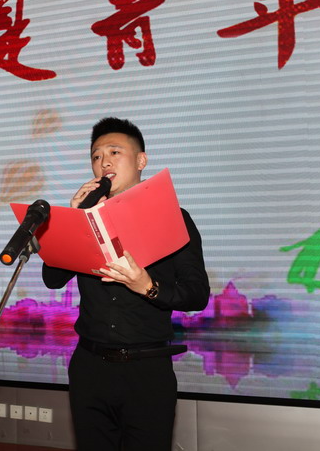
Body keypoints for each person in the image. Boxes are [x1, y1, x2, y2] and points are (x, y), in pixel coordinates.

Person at [42, 117, 210, 451]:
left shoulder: (173, 217)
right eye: (96, 156)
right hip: (89, 367)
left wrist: (148, 286)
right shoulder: (87, 220)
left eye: (114, 152)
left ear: (141, 160)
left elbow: (197, 295)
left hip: (146, 370)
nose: (103, 162)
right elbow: (53, 279)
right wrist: (73, 220)